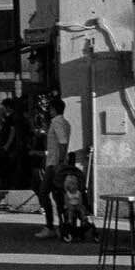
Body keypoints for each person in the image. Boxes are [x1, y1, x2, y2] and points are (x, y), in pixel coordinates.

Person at [35, 96, 71, 239]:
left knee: (43, 192)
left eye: (50, 109)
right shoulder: (66, 123)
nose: (49, 111)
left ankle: (50, 225)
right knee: (58, 194)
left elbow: (62, 142)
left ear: (54, 109)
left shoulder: (56, 123)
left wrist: (60, 160)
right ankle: (62, 223)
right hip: (57, 162)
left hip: (54, 163)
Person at [57, 150, 94, 240]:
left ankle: (84, 221)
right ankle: (69, 222)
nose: (73, 186)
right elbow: (66, 200)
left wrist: (81, 205)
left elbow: (81, 199)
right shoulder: (67, 193)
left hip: (78, 205)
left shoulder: (78, 192)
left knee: (82, 211)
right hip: (70, 206)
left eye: (74, 185)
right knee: (69, 211)